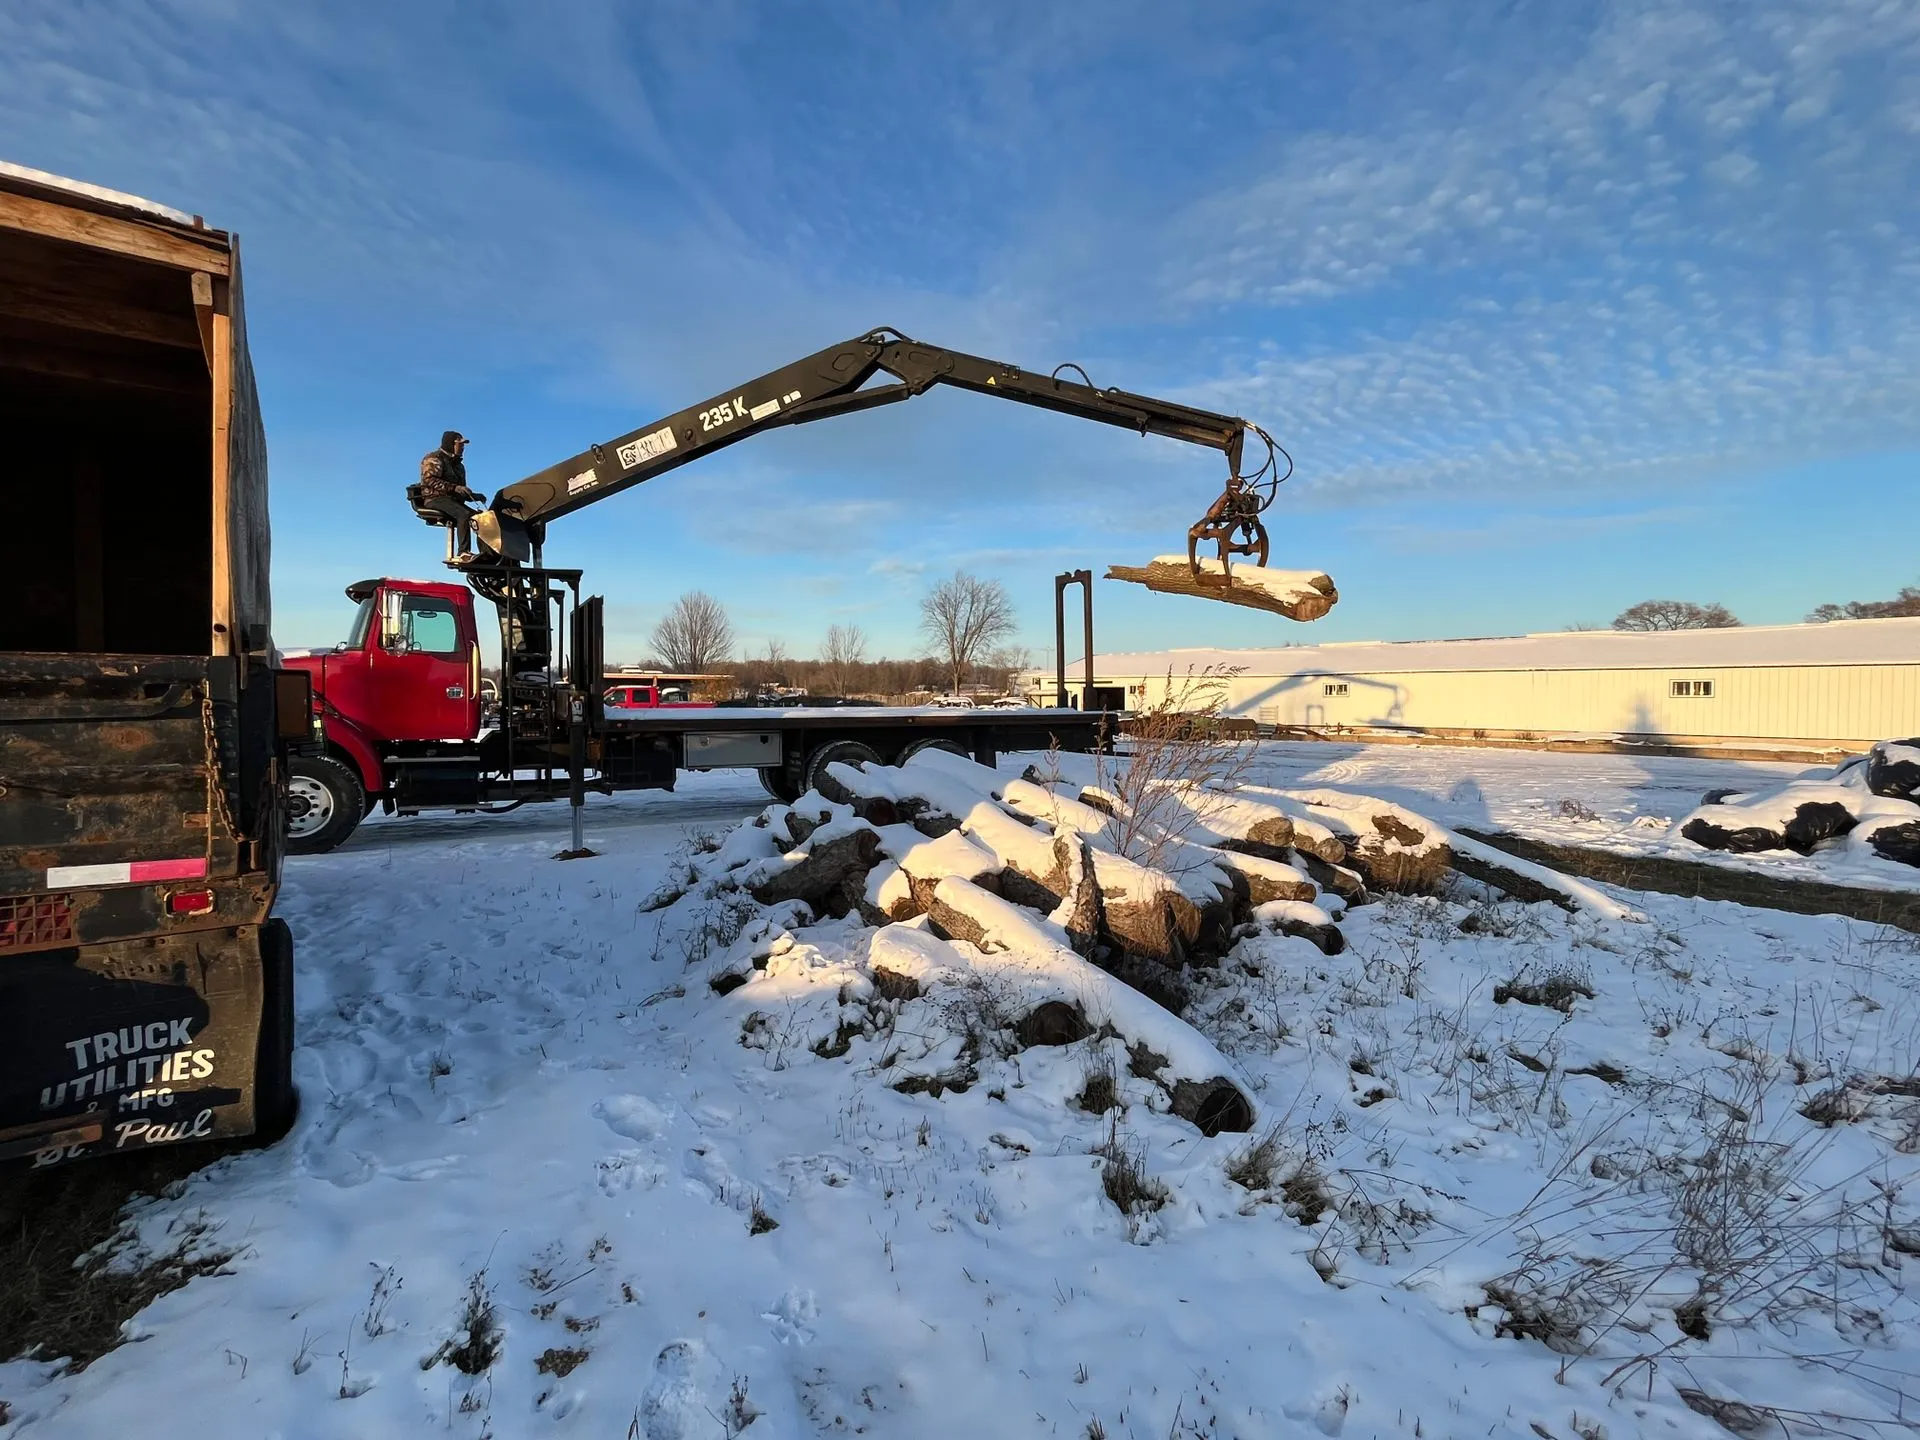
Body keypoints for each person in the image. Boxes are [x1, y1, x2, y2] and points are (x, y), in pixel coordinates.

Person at [417, 431, 486, 563]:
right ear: (450, 444)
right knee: (464, 514)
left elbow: (461, 491)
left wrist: (474, 496)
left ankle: (486, 555)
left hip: (452, 501)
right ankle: (463, 553)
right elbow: (429, 480)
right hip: (435, 498)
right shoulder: (434, 458)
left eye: (463, 445)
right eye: (459, 444)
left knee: (480, 519)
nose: (462, 448)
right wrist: (454, 488)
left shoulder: (459, 466)